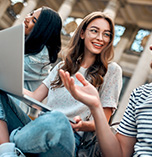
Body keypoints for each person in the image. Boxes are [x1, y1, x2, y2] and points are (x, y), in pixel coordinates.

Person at [0, 11, 122, 156]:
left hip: (68, 137)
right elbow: (34, 97)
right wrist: (5, 82)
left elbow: (102, 123)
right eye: (94, 31)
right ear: (82, 34)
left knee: (58, 119)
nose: (100, 38)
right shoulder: (62, 67)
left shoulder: (112, 71)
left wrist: (82, 125)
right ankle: (9, 151)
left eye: (106, 34)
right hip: (38, 127)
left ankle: (9, 142)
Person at [59, 11, 152, 157]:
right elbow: (119, 154)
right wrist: (96, 107)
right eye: (94, 31)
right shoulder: (141, 94)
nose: (151, 46)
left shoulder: (112, 70)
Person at [12, 6, 62, 116]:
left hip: (15, 106)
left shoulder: (42, 55)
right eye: (30, 14)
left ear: (42, 29)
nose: (27, 18)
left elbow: (8, 71)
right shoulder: (25, 42)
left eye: (34, 20)